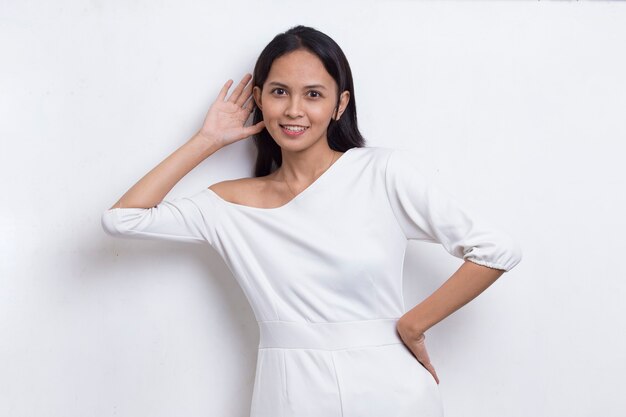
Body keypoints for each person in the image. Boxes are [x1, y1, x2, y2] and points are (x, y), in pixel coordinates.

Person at [101, 24, 522, 417]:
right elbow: (122, 219)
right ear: (260, 98)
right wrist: (207, 140)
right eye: (280, 92)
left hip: (389, 388)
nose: (293, 110)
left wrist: (412, 325)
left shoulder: (381, 173)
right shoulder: (229, 205)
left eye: (314, 95)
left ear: (341, 104)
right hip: (288, 391)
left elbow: (495, 249)